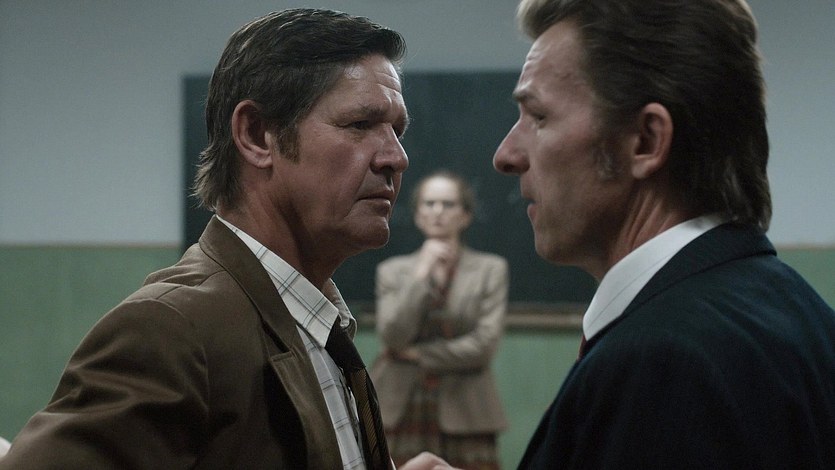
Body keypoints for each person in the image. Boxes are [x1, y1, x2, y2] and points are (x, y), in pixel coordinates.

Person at [0, 8, 452, 470]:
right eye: (360, 125)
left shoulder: (313, 322)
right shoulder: (171, 329)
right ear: (256, 135)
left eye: (397, 130)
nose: (396, 157)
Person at [492, 0, 835, 468]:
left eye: (538, 117)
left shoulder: (663, 364)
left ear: (646, 141)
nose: (506, 155)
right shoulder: (794, 307)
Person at [371, 170, 508, 469]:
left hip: (467, 409)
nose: (437, 211)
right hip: (401, 405)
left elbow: (483, 346)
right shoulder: (392, 271)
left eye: (448, 204)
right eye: (429, 203)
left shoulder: (490, 269)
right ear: (417, 214)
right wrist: (421, 275)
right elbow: (393, 336)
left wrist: (419, 354)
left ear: (465, 215)